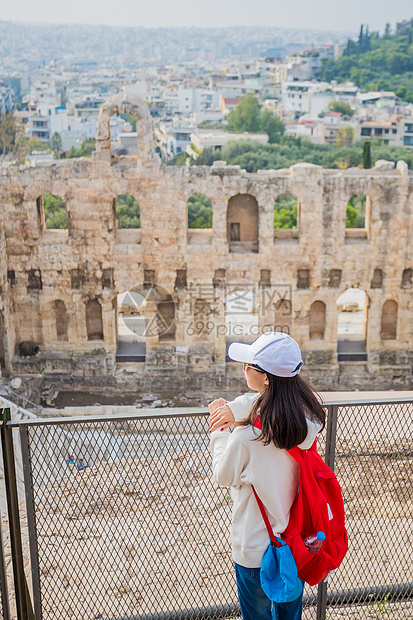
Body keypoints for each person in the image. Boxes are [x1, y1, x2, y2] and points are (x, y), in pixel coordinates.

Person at [209, 331, 325, 620]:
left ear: (267, 378)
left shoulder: (248, 438)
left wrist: (220, 433)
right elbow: (264, 402)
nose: (243, 369)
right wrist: (235, 408)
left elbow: (222, 476)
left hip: (255, 545)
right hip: (294, 539)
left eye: (248, 365)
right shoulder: (306, 421)